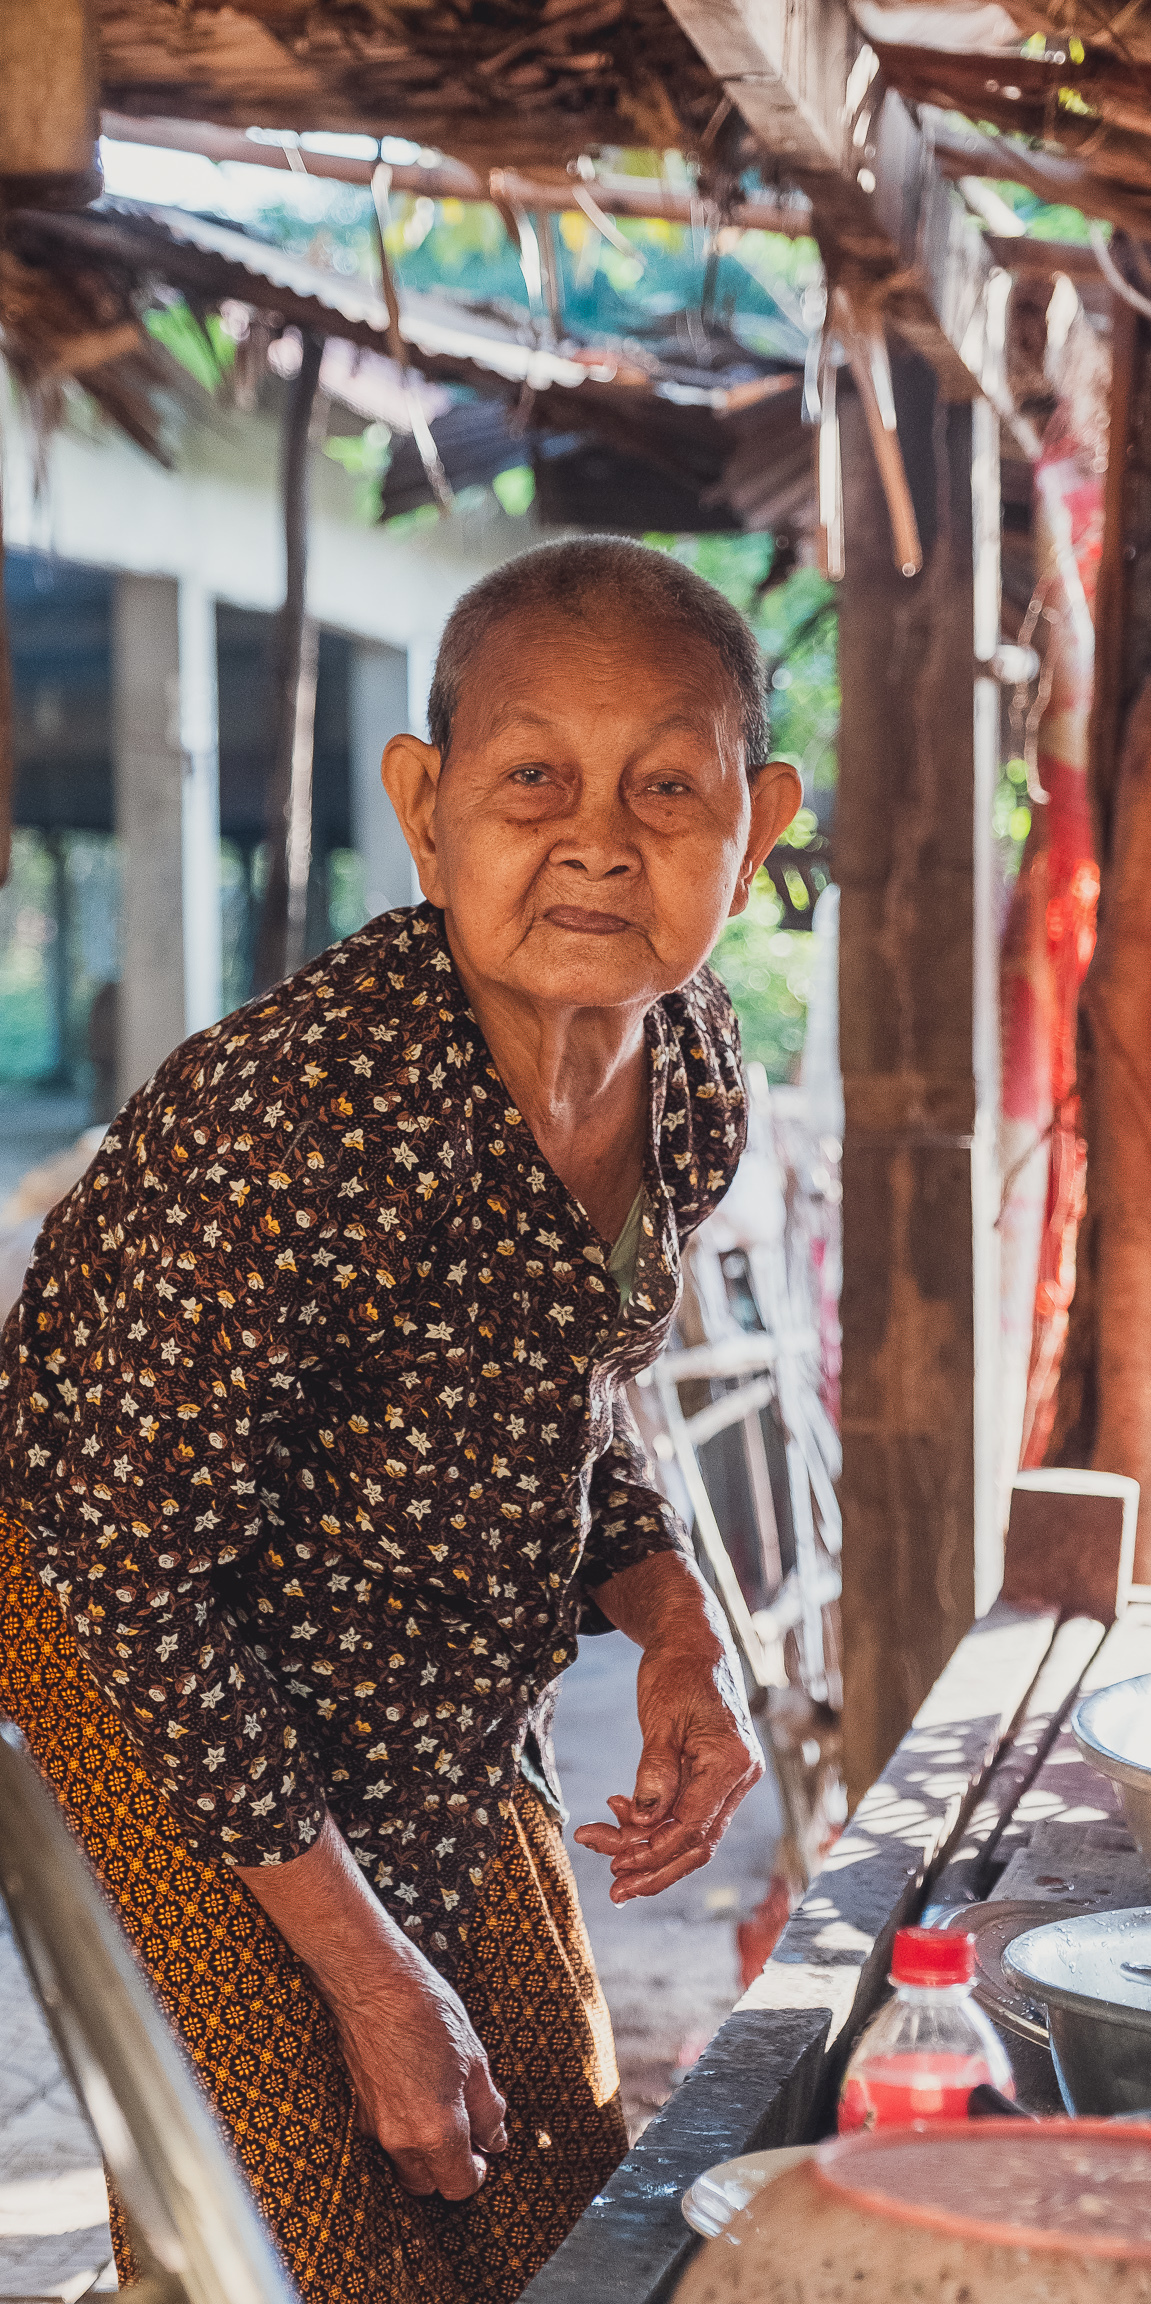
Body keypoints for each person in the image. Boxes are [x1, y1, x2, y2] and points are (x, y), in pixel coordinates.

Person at [0, 537, 804, 2301]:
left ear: (756, 827)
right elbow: (130, 1563)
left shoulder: (687, 1083)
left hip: (422, 1647)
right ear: (428, 807)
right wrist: (371, 1978)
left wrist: (675, 1633)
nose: (599, 837)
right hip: (140, 1641)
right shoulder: (302, 1113)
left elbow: (554, 1413)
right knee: (296, 2236)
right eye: (535, 778)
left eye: (669, 785)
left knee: (553, 2183)